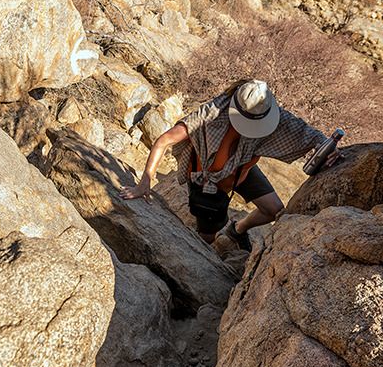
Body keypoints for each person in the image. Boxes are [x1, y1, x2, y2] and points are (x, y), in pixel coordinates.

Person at [119, 79, 342, 251]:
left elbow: (306, 132)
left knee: (274, 210)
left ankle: (238, 229)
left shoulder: (266, 111)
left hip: (243, 168)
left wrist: (327, 146)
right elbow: (164, 140)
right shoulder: (212, 113)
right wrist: (145, 181)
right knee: (207, 238)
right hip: (208, 178)